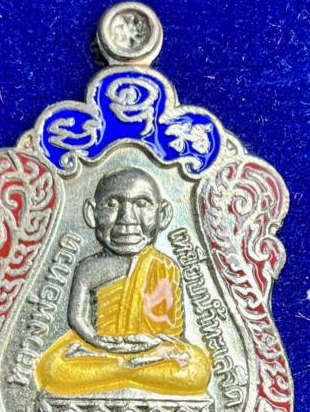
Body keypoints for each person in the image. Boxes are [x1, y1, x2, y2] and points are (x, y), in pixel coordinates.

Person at [35, 167, 212, 396]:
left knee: (197, 367)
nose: (126, 218)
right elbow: (77, 318)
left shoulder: (166, 267)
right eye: (112, 204)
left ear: (163, 215)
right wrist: (97, 341)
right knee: (53, 367)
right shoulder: (88, 268)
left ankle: (122, 371)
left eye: (141, 204)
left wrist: (152, 343)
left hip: (151, 351)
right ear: (91, 213)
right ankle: (127, 371)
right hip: (99, 350)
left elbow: (174, 331)